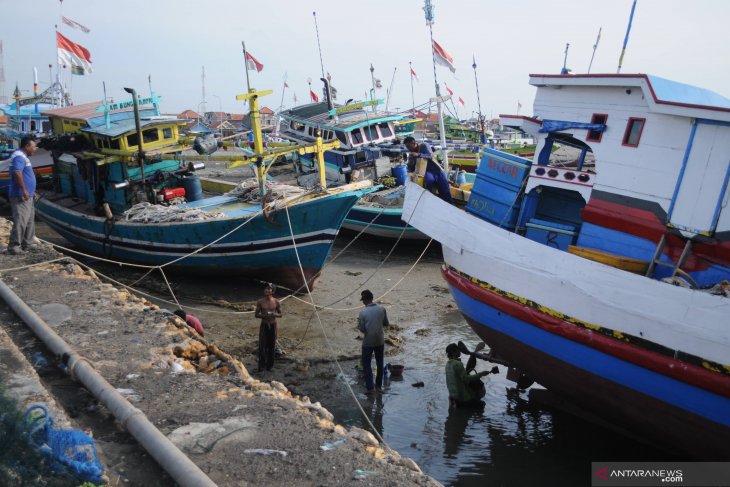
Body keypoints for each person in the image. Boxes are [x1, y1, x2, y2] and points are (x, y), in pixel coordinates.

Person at [7, 137, 38, 255]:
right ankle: (14, 246)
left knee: (29, 220)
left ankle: (27, 244)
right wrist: (24, 190)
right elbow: (17, 172)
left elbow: (25, 175)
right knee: (21, 220)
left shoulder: (23, 156)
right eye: (33, 147)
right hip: (20, 195)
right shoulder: (19, 156)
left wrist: (31, 191)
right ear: (26, 146)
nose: (34, 149)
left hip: (27, 195)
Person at [357, 289, 390, 392]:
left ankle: (370, 388)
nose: (362, 302)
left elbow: (362, 329)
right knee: (380, 363)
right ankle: (379, 386)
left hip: (368, 342)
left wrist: (359, 325)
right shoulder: (382, 309)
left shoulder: (362, 312)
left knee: (367, 365)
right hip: (380, 340)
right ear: (372, 298)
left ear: (365, 300)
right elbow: (386, 324)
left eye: (363, 300)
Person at [403, 135, 452, 203]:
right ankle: (431, 203)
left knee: (445, 191)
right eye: (406, 147)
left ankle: (449, 204)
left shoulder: (424, 145)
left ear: (413, 143)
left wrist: (418, 155)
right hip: (427, 172)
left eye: (408, 146)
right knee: (429, 184)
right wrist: (410, 162)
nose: (408, 148)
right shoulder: (411, 155)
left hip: (437, 170)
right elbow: (410, 169)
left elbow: (430, 156)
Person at [445, 343, 489, 408]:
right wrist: (481, 374)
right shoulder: (458, 364)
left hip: (453, 397)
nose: (460, 351)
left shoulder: (447, 365)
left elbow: (458, 377)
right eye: (458, 350)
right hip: (463, 399)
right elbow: (466, 379)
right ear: (453, 352)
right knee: (482, 405)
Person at [255, 283, 282, 372]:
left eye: (269, 289)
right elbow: (256, 314)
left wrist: (274, 314)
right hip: (264, 325)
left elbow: (281, 314)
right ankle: (261, 367)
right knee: (262, 346)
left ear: (272, 291)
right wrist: (263, 316)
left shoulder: (276, 302)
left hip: (273, 325)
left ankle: (269, 367)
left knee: (272, 346)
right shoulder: (260, 302)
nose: (266, 290)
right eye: (266, 288)